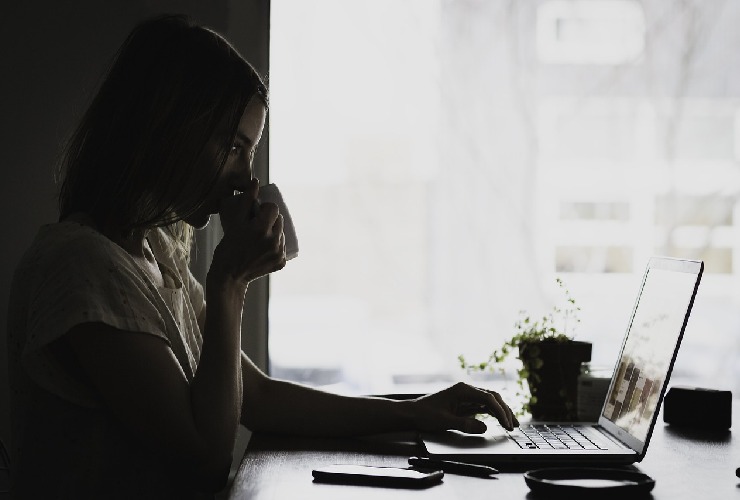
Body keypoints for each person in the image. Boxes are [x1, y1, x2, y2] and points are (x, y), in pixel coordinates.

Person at [7, 14, 518, 499]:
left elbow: (259, 397)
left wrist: (414, 412)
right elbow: (205, 459)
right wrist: (229, 282)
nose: (246, 177)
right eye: (233, 146)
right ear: (166, 130)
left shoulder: (154, 256)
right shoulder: (83, 266)